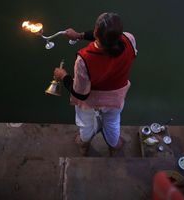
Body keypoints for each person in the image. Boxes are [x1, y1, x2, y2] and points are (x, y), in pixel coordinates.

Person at [54, 13, 137, 156]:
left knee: (86, 124)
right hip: (116, 98)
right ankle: (114, 144)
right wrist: (79, 35)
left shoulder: (84, 59)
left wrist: (63, 76)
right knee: (112, 122)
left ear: (96, 31)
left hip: (91, 101)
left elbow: (80, 93)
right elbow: (109, 39)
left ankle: (84, 143)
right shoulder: (129, 39)